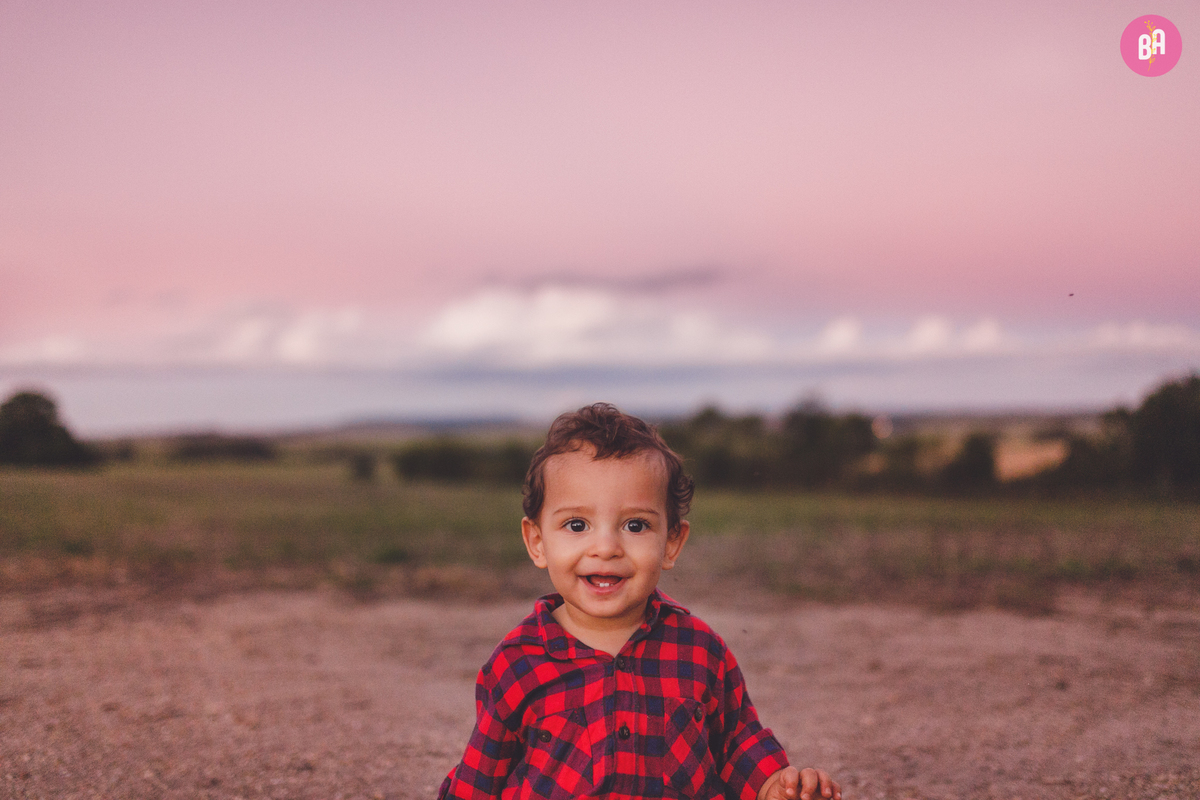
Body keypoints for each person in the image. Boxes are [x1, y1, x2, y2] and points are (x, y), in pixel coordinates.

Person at [437, 403, 842, 800]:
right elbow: (481, 777)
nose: (606, 547)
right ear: (538, 542)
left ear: (671, 542)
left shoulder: (700, 652)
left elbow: (737, 741)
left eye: (635, 525)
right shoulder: (518, 662)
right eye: (577, 525)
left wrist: (775, 786)